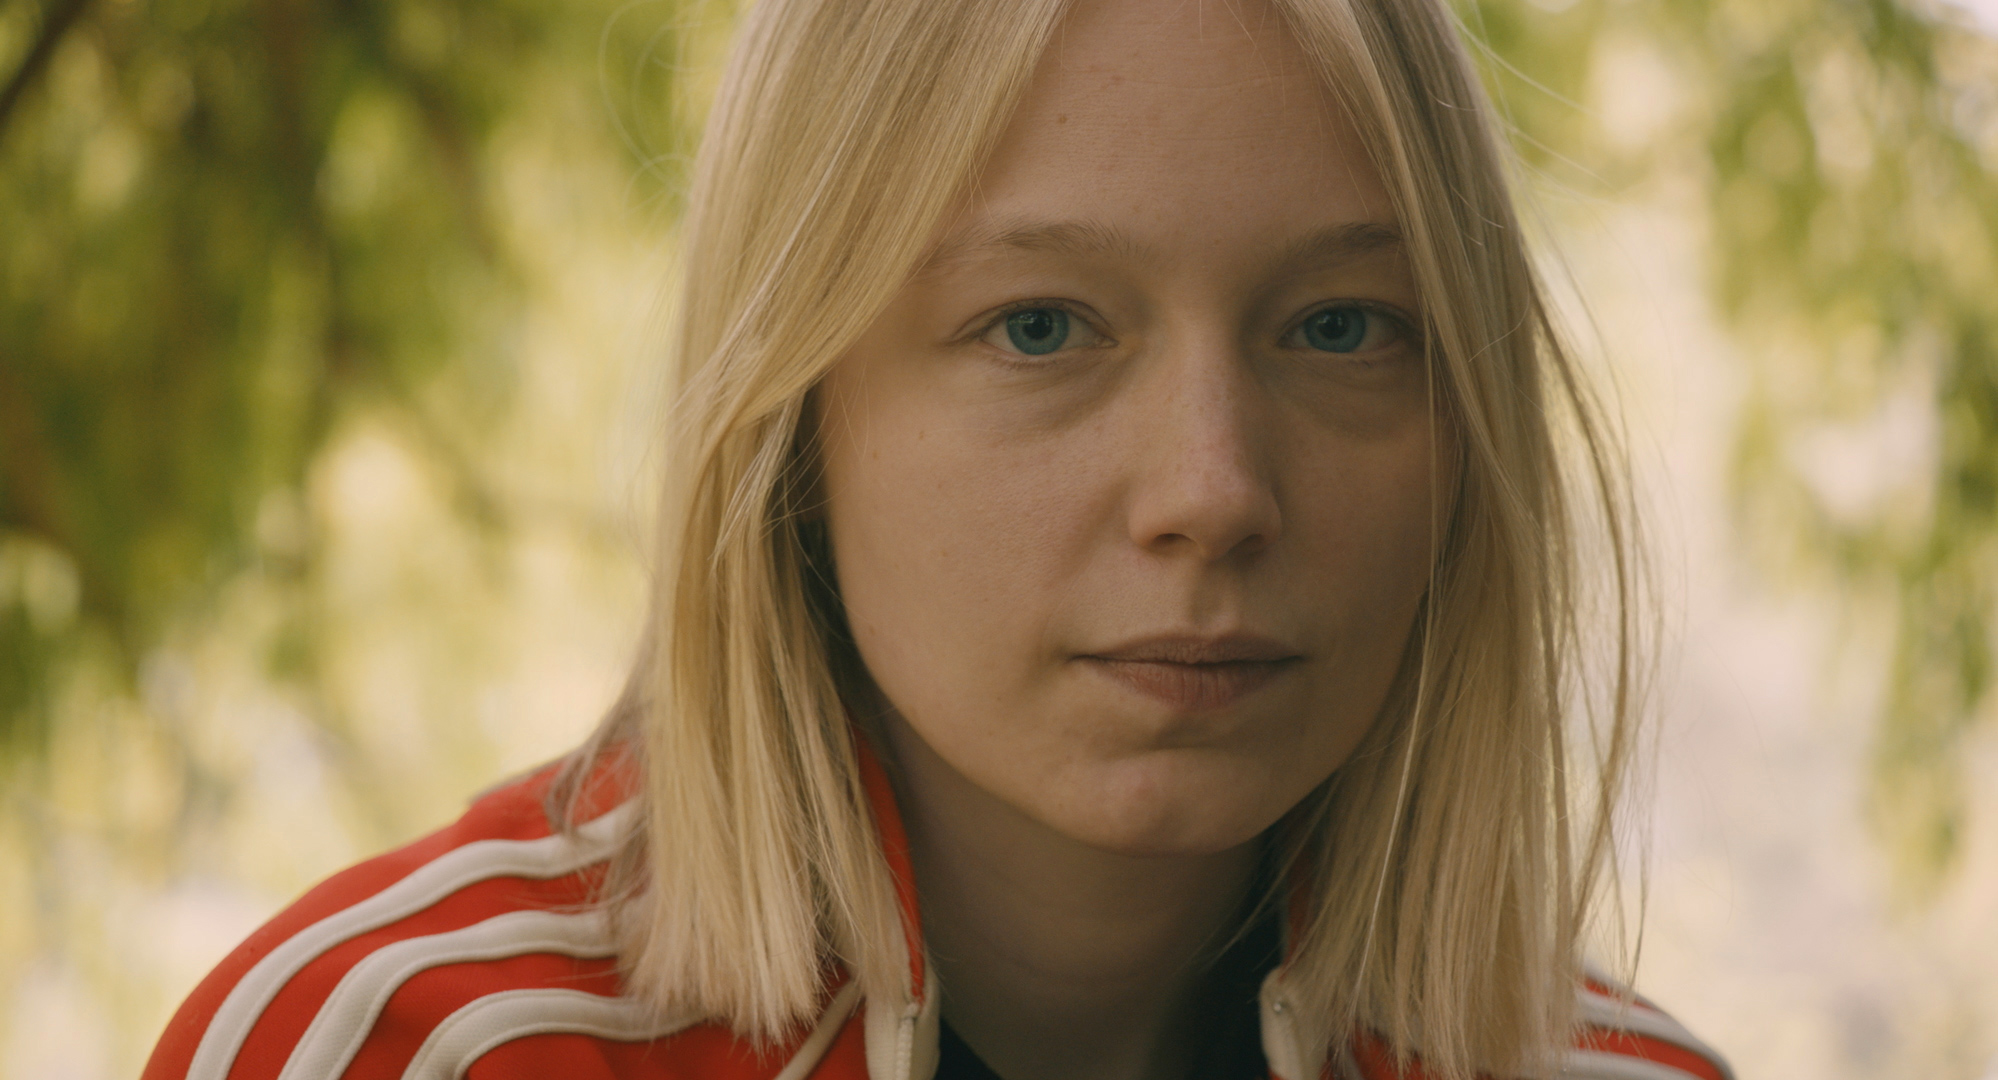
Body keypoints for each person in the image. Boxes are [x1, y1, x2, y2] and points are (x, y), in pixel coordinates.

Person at [142, 0, 1736, 1077]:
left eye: (1338, 326)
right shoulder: (396, 1049)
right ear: (790, 422)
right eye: (1038, 324)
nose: (1212, 490)